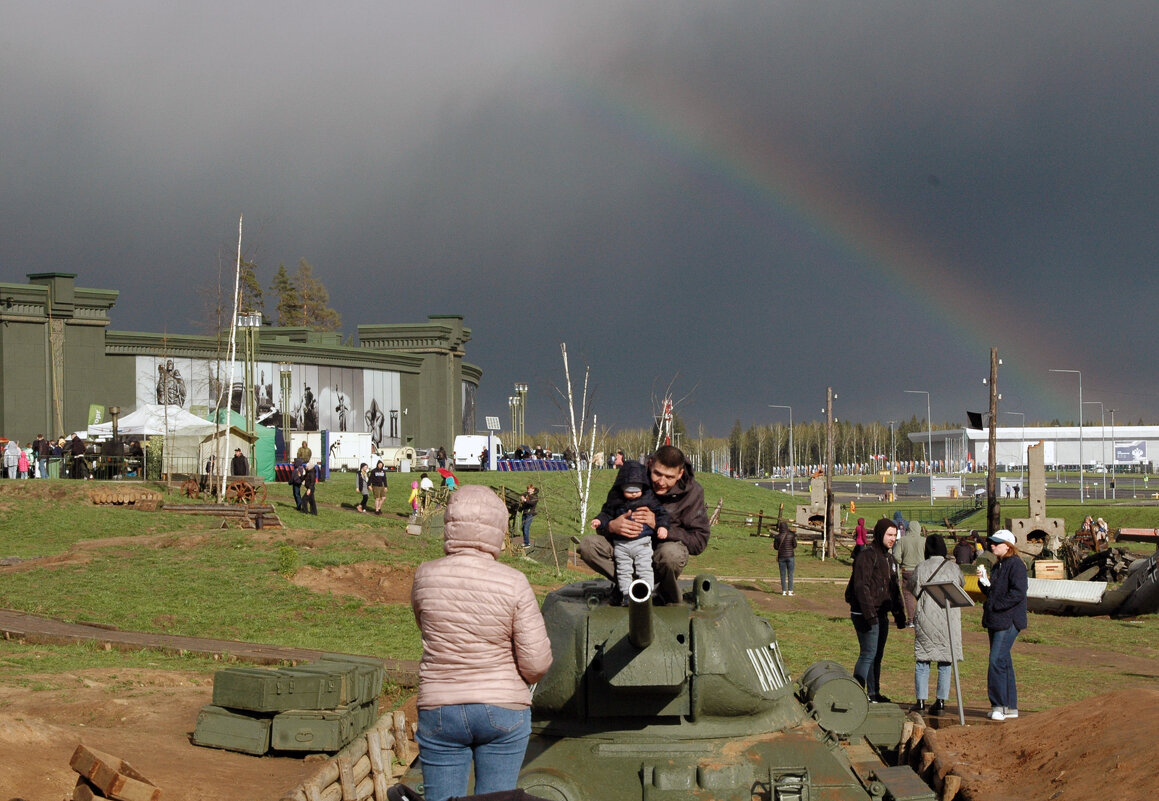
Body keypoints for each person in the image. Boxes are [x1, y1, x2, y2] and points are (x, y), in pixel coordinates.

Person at [411, 485, 553, 801]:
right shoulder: (514, 582)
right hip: (503, 709)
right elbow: (537, 662)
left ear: (450, 522)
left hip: (440, 706)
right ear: (499, 528)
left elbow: (426, 626)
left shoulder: (424, 575)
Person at [578, 445, 709, 605]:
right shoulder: (631, 478)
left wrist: (659, 526)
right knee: (588, 546)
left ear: (680, 473)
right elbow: (606, 515)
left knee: (671, 554)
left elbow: (699, 541)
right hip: (624, 550)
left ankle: (663, 591)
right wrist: (611, 526)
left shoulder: (693, 493)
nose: (661, 482)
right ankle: (627, 588)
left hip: (659, 558)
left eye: (669, 477)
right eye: (657, 473)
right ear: (651, 464)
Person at [591, 461, 670, 605]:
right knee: (623, 570)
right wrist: (600, 521)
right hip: (621, 544)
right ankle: (627, 594)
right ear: (621, 488)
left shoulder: (649, 498)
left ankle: (647, 593)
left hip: (643, 542)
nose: (633, 494)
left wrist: (662, 526)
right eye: (629, 490)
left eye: (636, 490)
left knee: (645, 568)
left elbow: (661, 513)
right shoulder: (615, 499)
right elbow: (606, 513)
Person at [846, 517, 907, 702]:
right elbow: (860, 587)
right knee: (868, 654)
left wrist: (899, 613)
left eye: (895, 535)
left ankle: (874, 694)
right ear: (880, 534)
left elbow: (894, 588)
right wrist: (869, 614)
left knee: (877, 655)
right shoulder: (867, 555)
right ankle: (856, 695)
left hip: (881, 613)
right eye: (889, 534)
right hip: (865, 613)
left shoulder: (890, 558)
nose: (892, 538)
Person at [908, 534, 963, 715]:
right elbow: (961, 585)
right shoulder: (954, 568)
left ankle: (921, 701)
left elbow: (913, 588)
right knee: (945, 661)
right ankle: (940, 701)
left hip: (926, 617)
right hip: (949, 618)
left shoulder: (921, 567)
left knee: (923, 660)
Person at [978, 529, 1028, 722]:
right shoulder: (1000, 565)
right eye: (992, 542)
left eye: (996, 543)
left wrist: (997, 605)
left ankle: (998, 705)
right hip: (997, 619)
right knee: (1004, 662)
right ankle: (1009, 707)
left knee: (996, 661)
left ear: (1008, 546)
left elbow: (1018, 592)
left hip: (1008, 620)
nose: (992, 545)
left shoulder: (1015, 564)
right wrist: (984, 582)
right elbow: (994, 593)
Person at [892, 520, 924, 626]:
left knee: (908, 595)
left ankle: (911, 620)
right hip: (921, 570)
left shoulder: (903, 540)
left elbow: (895, 555)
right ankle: (922, 619)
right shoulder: (924, 540)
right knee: (922, 595)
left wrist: (902, 562)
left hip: (907, 570)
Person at [774, 521, 797, 596]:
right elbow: (795, 545)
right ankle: (790, 591)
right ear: (787, 527)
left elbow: (776, 547)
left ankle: (784, 591)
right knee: (790, 574)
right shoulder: (791, 535)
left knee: (782, 574)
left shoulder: (777, 536)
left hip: (781, 557)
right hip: (790, 556)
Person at [519, 483, 539, 549]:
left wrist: (525, 500)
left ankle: (527, 543)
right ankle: (525, 542)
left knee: (526, 528)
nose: (528, 491)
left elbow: (531, 503)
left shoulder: (535, 496)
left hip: (530, 514)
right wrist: (522, 496)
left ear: (533, 489)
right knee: (523, 528)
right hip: (524, 513)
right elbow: (522, 494)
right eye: (528, 489)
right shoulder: (527, 494)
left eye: (530, 489)